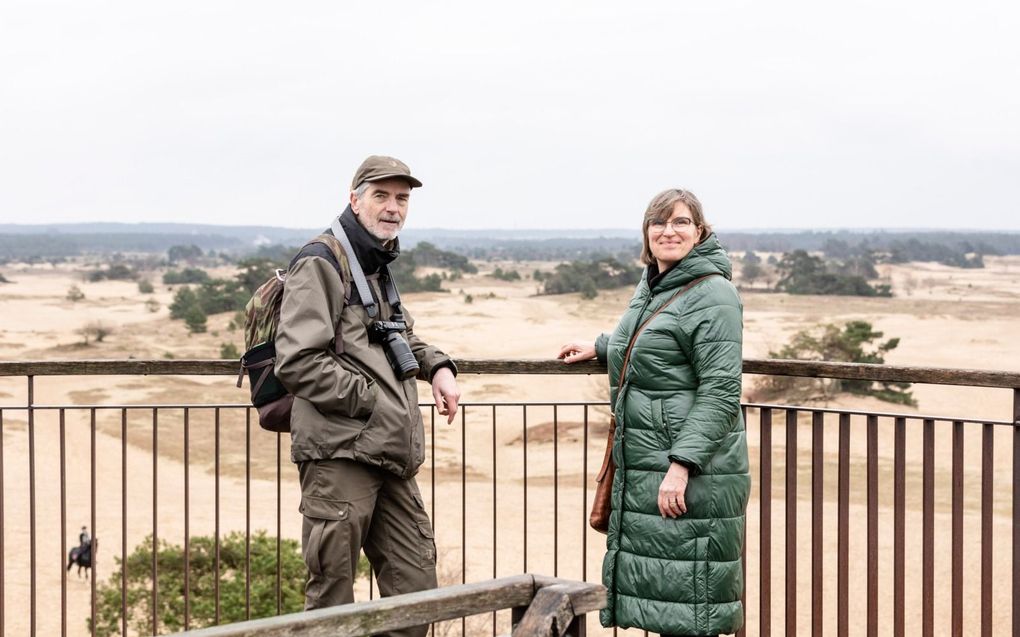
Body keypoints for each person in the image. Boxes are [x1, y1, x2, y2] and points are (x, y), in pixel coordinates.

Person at [275, 155, 461, 635]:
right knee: (333, 601)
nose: (393, 207)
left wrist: (437, 366)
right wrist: (371, 400)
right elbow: (297, 360)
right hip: (340, 454)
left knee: (417, 594)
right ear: (354, 200)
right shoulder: (322, 261)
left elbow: (394, 336)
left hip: (386, 452)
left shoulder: (375, 262)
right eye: (381, 195)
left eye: (402, 198)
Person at [558, 188, 749, 637]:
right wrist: (603, 347)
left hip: (692, 470)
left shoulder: (714, 293)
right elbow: (658, 341)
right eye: (659, 222)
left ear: (699, 232)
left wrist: (682, 465)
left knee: (692, 604)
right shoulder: (655, 283)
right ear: (646, 232)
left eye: (681, 222)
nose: (669, 230)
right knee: (668, 600)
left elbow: (721, 390)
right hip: (652, 463)